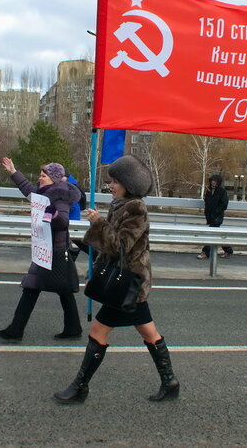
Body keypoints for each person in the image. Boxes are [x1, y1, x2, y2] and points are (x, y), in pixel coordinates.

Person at [54, 154, 180, 404]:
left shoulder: (135, 208)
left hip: (126, 284)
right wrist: (83, 242)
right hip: (130, 284)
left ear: (128, 184)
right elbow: (108, 243)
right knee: (148, 332)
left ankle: (80, 386)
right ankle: (170, 382)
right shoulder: (119, 206)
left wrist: (99, 223)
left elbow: (121, 245)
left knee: (98, 330)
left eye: (115, 181)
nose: (110, 185)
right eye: (110, 181)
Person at [0, 158, 83, 341]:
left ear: (54, 179)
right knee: (60, 289)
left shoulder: (59, 195)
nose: (39, 178)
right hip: (46, 249)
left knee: (33, 287)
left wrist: (53, 213)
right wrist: (13, 171)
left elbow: (63, 223)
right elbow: (28, 189)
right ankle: (73, 328)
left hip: (53, 251)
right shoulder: (45, 194)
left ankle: (15, 330)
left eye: (44, 175)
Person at [197, 174, 233, 259]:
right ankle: (228, 250)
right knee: (216, 235)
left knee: (210, 234)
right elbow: (207, 201)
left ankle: (206, 252)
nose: (213, 182)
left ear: (218, 182)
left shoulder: (222, 191)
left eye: (215, 181)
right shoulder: (209, 190)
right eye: (212, 180)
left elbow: (224, 204)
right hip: (210, 217)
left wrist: (216, 212)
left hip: (217, 217)